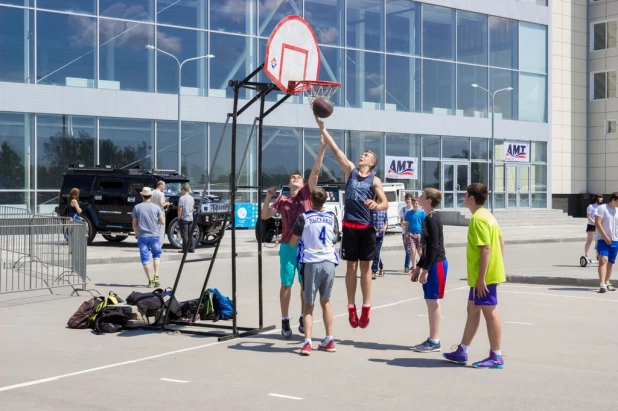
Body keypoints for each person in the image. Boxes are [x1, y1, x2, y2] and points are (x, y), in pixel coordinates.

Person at [316, 116, 388, 329]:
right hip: (349, 226)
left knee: (365, 268)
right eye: (362, 154)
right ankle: (351, 307)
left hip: (367, 229)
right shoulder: (351, 171)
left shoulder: (374, 179)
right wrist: (322, 128)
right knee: (351, 267)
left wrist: (377, 206)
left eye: (366, 155)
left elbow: (384, 202)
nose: (362, 156)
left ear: (372, 162)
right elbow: (337, 150)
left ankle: (366, 307)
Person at [261, 137, 326, 338]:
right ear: (289, 182)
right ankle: (285, 319)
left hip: (306, 247)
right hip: (287, 246)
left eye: (299, 176)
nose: (296, 177)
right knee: (286, 284)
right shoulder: (282, 199)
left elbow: (315, 171)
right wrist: (268, 197)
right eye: (293, 176)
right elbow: (265, 216)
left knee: (305, 285)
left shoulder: (306, 193)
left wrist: (322, 147)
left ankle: (301, 316)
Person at [443, 183, 505, 369]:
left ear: (471, 198)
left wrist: (482, 278)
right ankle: (462, 350)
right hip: (488, 273)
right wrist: (498, 264)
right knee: (473, 309)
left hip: (484, 276)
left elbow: (486, 248)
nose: (463, 197)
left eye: (465, 194)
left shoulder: (478, 219)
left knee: (490, 312)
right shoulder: (488, 215)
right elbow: (501, 241)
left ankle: (496, 355)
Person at [290, 187, 339, 356]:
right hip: (329, 261)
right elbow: (336, 237)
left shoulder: (304, 217)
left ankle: (307, 342)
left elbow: (293, 241)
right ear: (325, 200)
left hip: (312, 261)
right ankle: (329, 339)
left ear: (310, 200)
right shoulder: (331, 217)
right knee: (326, 301)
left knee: (308, 304)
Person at [410, 188, 447, 353]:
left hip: (436, 264)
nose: (419, 197)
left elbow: (433, 247)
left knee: (433, 302)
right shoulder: (428, 218)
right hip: (430, 263)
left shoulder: (432, 219)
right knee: (430, 301)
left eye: (422, 196)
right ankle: (433, 339)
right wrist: (418, 267)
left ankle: (434, 340)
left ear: (429, 201)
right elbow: (426, 250)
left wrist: (425, 269)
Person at [131, 187, 164, 288]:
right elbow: (162, 221)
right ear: (151, 195)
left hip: (142, 236)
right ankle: (156, 276)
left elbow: (134, 224)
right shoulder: (156, 207)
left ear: (142, 195)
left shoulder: (137, 207)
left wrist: (136, 233)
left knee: (145, 259)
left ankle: (150, 281)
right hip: (154, 235)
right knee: (157, 255)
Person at [594, 192, 618, 293]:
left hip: (615, 240)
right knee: (603, 260)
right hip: (602, 239)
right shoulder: (602, 208)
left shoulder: (617, 210)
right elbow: (597, 223)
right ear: (613, 199)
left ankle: (607, 282)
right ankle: (602, 284)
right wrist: (605, 237)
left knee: (610, 262)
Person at [404, 197, 425, 272]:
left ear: (418, 203)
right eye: (414, 203)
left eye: (416, 203)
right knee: (412, 250)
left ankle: (424, 266)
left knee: (420, 251)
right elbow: (407, 224)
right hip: (410, 233)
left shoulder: (422, 213)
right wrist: (405, 235)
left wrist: (424, 235)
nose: (415, 205)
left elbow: (424, 224)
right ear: (412, 204)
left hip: (419, 233)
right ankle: (414, 267)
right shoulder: (409, 213)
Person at [177, 184, 195, 254]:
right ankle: (192, 248)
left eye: (182, 190)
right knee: (190, 234)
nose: (181, 191)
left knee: (184, 235)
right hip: (190, 218)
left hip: (184, 218)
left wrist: (179, 217)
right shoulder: (192, 198)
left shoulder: (182, 198)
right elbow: (193, 208)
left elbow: (180, 208)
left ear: (184, 190)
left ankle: (185, 249)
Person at [152, 181, 171, 247]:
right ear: (160, 185)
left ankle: (152, 244)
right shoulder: (161, 194)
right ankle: (158, 246)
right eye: (164, 186)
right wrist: (167, 203)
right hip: (160, 213)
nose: (164, 187)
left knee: (154, 229)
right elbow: (162, 204)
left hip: (152, 213)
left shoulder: (152, 192)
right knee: (160, 230)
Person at [585, 194, 603, 262]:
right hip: (591, 225)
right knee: (589, 240)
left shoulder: (601, 207)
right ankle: (586, 254)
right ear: (596, 198)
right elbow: (588, 216)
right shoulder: (591, 206)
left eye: (602, 197)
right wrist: (594, 222)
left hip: (599, 225)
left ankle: (598, 255)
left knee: (598, 241)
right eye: (600, 197)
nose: (601, 199)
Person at [371, 208, 388, 279]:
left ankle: (374, 271)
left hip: (380, 234)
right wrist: (372, 226)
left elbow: (386, 220)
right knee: (375, 252)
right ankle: (381, 266)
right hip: (372, 234)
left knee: (376, 252)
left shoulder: (384, 210)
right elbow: (369, 220)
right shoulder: (372, 210)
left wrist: (385, 226)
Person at [399, 194, 414, 272]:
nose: (407, 200)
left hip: (412, 231)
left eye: (409, 198)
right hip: (404, 231)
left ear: (411, 200)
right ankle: (415, 262)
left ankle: (406, 266)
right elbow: (401, 220)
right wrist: (402, 223)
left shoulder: (413, 209)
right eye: (406, 199)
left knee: (409, 250)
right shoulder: (403, 210)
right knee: (407, 249)